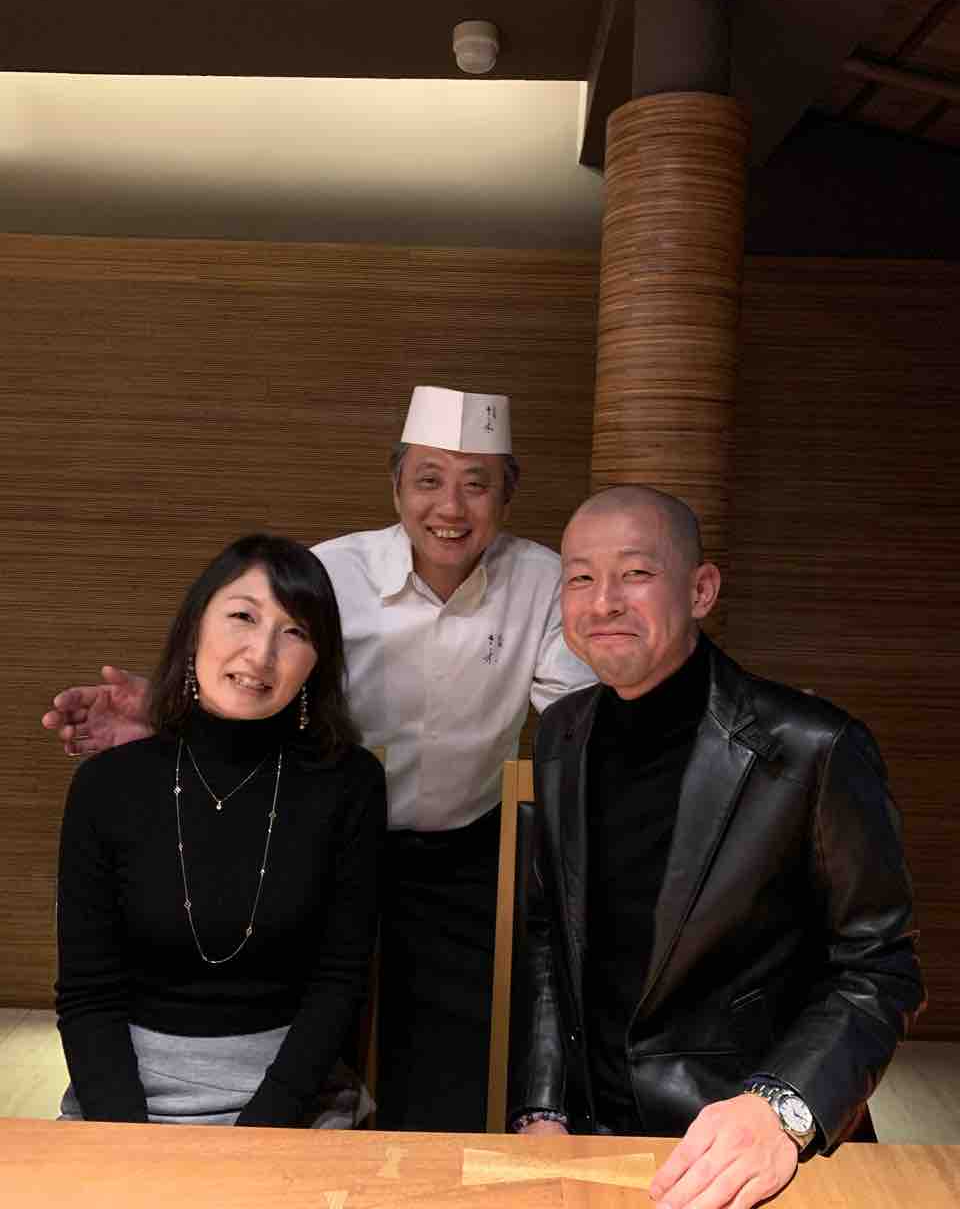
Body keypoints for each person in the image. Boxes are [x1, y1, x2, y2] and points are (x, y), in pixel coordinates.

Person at [43, 385, 593, 1131]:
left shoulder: (542, 582)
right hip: (313, 828)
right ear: (395, 484)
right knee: (316, 1018)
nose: (450, 507)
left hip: (459, 846)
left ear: (507, 495)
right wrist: (167, 712)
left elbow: (575, 718)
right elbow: (249, 672)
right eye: (428, 479)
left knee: (447, 1067)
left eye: (477, 484)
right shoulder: (329, 573)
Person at [509, 485, 924, 1209]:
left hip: (749, 1141)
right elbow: (550, 932)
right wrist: (542, 1106)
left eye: (636, 573)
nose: (603, 601)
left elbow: (881, 967)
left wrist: (781, 1107)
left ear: (701, 590)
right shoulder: (561, 733)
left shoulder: (813, 746)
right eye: (580, 578)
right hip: (593, 1138)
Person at [56, 534, 386, 1126]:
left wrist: (260, 1133)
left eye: (295, 631)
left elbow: (340, 982)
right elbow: (87, 991)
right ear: (195, 628)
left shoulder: (350, 783)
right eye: (243, 617)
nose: (261, 654)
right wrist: (125, 1137)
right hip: (124, 1096)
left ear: (317, 663)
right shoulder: (106, 785)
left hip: (293, 1097)